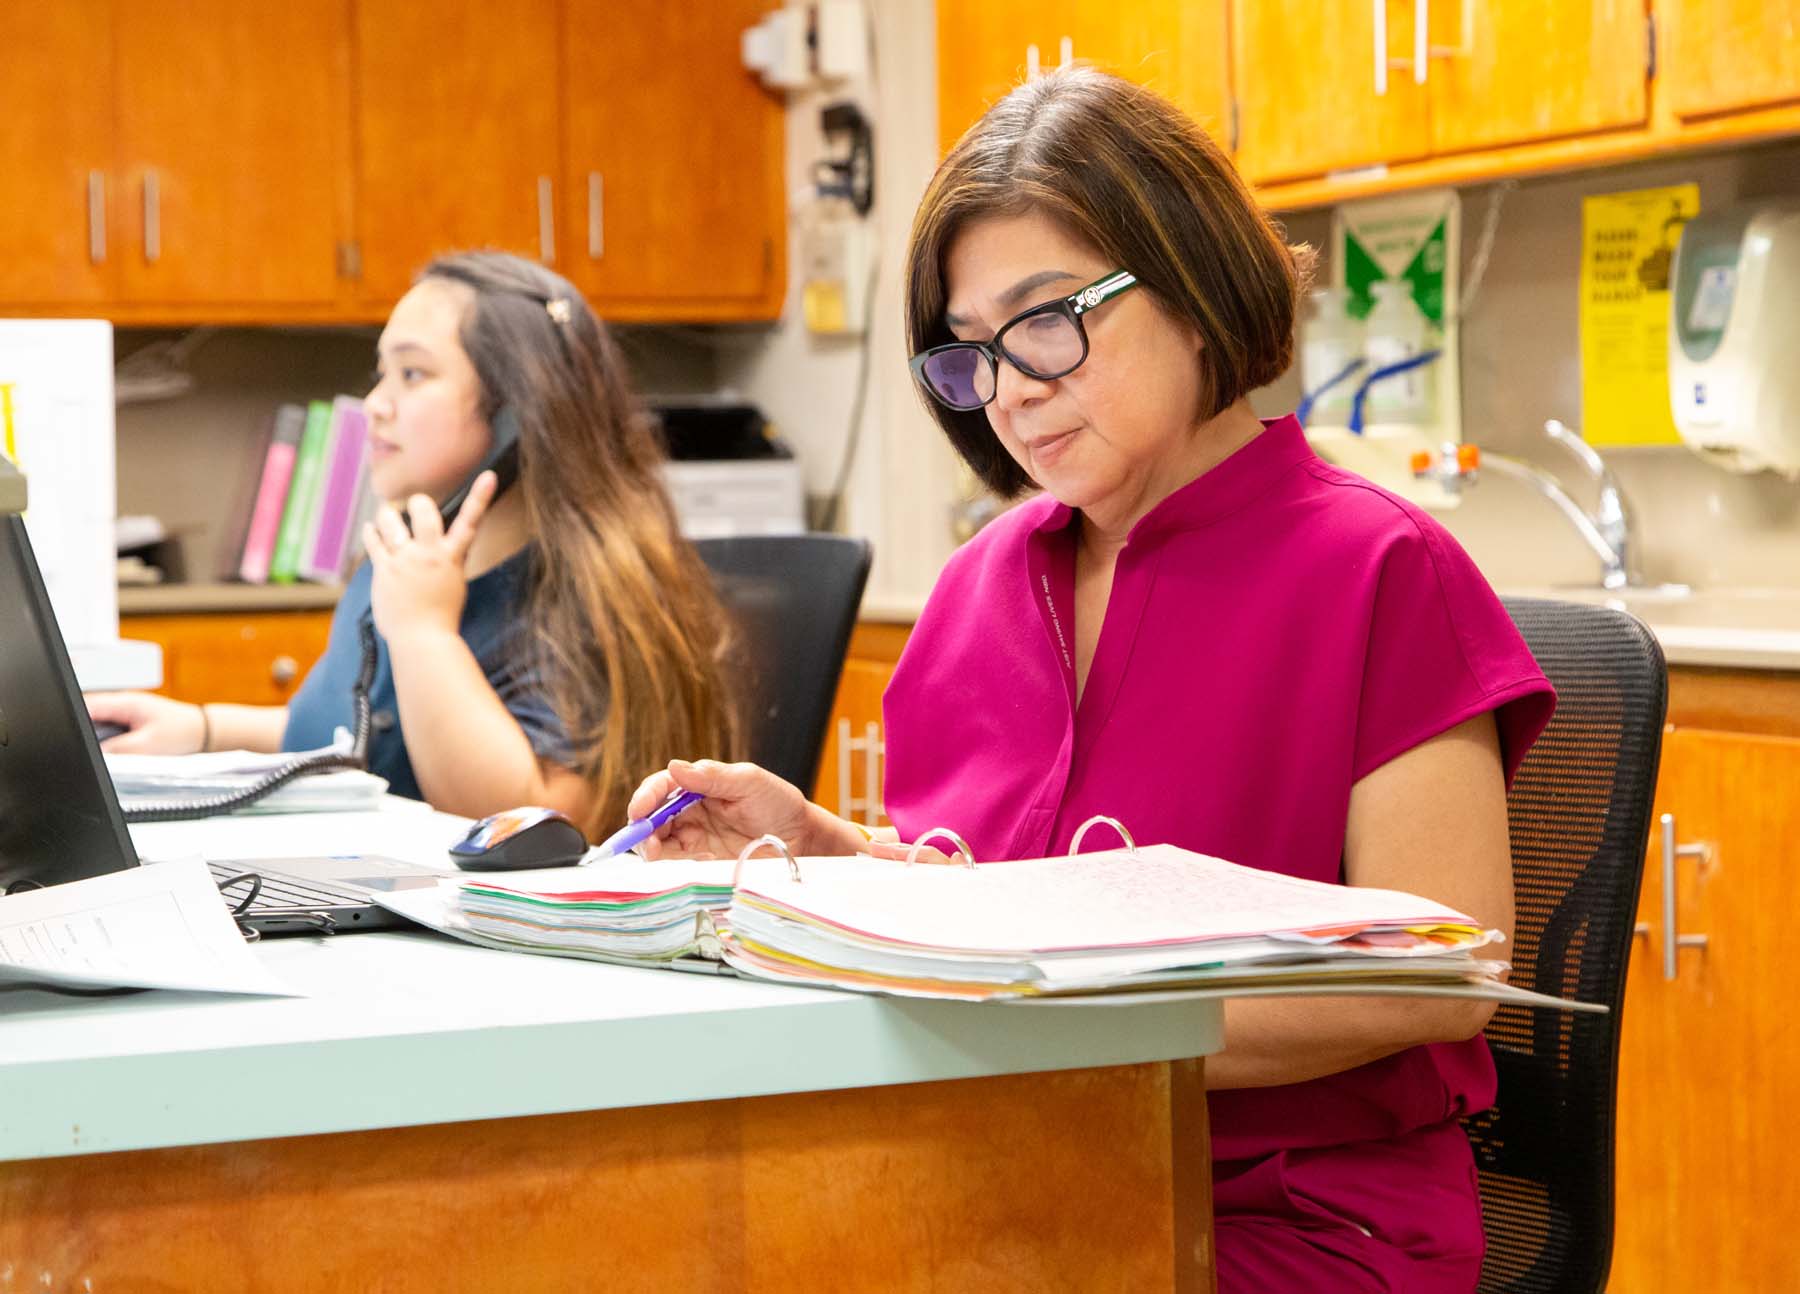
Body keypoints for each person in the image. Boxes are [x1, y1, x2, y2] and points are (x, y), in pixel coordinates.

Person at [624, 68, 1554, 1291]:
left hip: (1294, 1217)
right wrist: (827, 850)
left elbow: (1444, 976)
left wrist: (1059, 1029)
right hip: (1013, 1176)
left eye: (1047, 320)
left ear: (1191, 275)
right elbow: (1006, 913)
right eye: (970, 355)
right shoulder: (976, 591)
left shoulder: (1380, 567)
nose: (1008, 390)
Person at [89, 251, 740, 837]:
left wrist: (428, 633)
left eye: (413, 374)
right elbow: (358, 739)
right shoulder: (401, 565)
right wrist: (203, 729)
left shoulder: (590, 596)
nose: (375, 403)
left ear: (518, 410)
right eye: (382, 373)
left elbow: (531, 828)